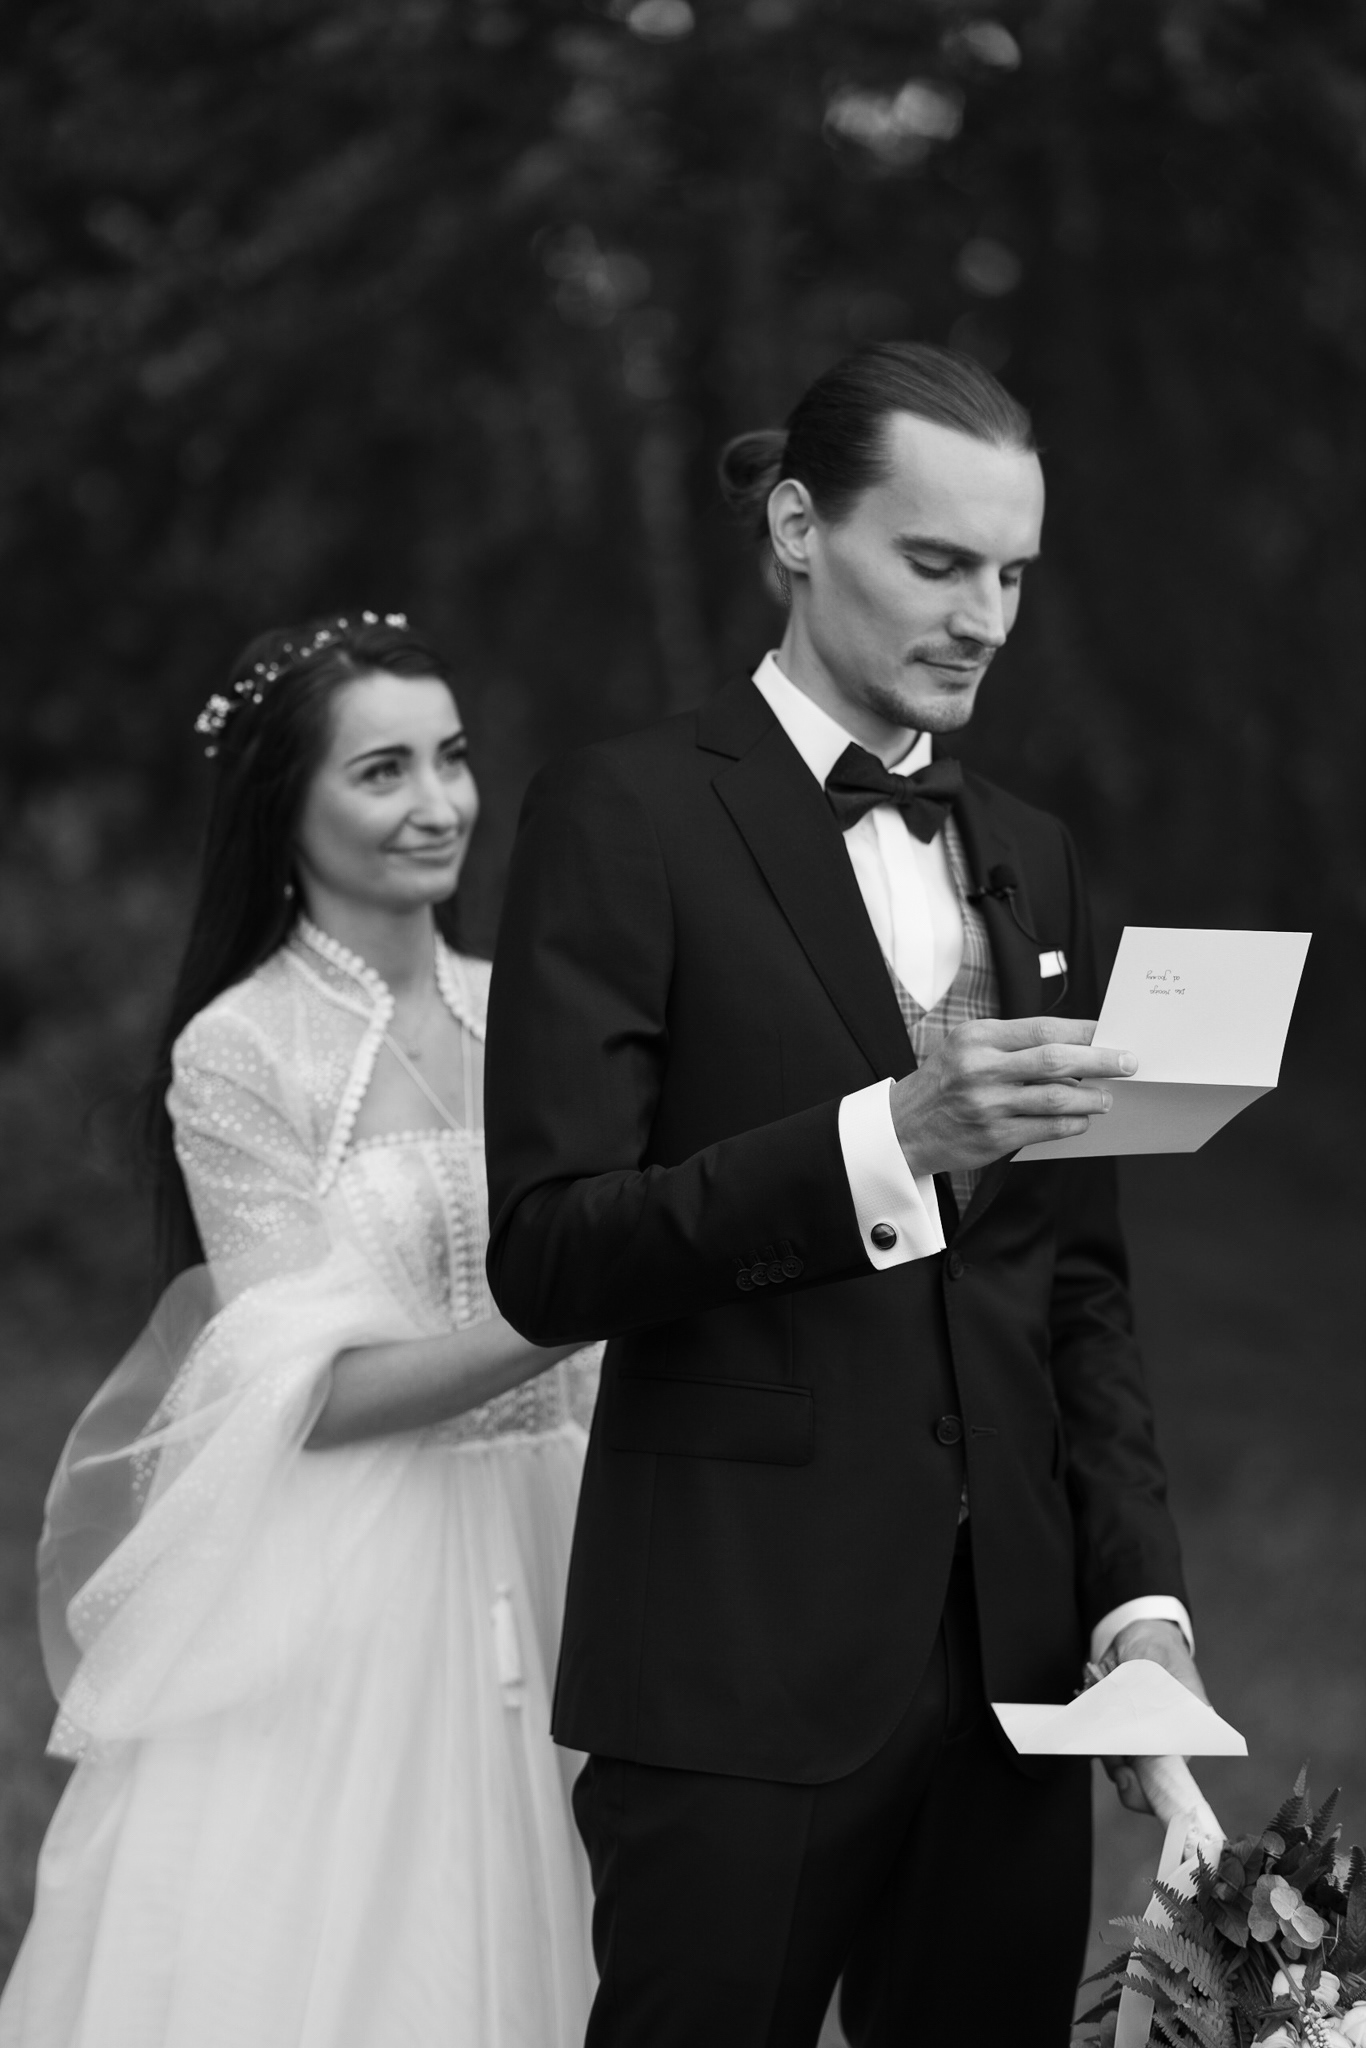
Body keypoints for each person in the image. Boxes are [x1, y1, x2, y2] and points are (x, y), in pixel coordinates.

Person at [483, 343, 1206, 2046]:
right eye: (937, 562)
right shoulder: (623, 812)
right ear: (799, 529)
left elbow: (1076, 1285)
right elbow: (551, 1249)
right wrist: (884, 1140)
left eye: (1012, 575)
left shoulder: (1031, 849)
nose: (982, 618)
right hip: (733, 1662)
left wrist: (1138, 1609)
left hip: (1016, 1685)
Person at [0, 613, 599, 2048]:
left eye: (451, 757)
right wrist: (569, 1317)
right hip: (366, 1571)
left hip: (584, 1526)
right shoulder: (242, 1050)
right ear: (287, 805)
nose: (438, 802)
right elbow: (306, 1395)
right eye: (383, 771)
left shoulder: (536, 1011)